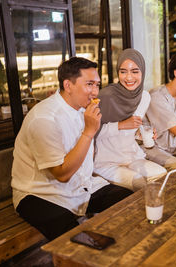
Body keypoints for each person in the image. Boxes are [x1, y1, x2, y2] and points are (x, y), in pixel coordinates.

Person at [11, 57, 132, 241]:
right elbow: (62, 174)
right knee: (76, 239)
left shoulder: (82, 109)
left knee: (129, 201)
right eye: (89, 84)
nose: (95, 92)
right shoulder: (44, 118)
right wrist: (89, 132)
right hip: (41, 193)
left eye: (97, 84)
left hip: (80, 186)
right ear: (68, 85)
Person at [94, 48, 166, 190]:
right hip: (106, 161)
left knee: (162, 176)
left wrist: (141, 135)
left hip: (132, 157)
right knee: (140, 184)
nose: (128, 77)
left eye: (134, 71)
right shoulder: (105, 97)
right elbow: (90, 132)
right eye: (123, 71)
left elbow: (132, 131)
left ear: (142, 72)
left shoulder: (144, 97)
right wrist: (120, 125)